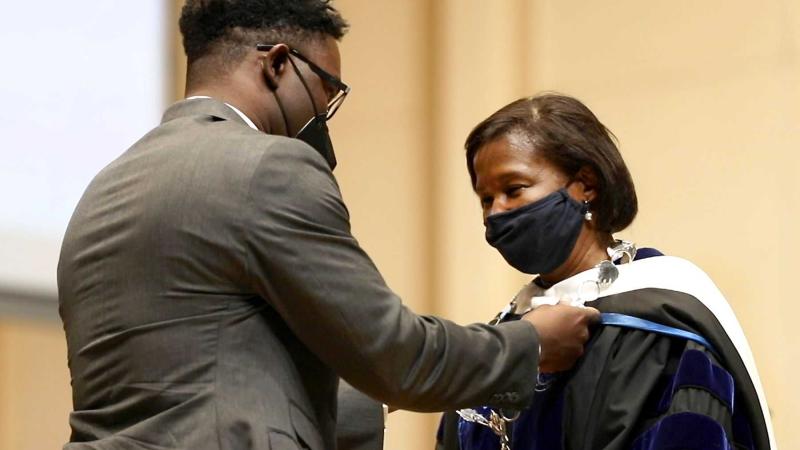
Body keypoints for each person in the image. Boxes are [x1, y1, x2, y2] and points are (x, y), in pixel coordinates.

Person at [57, 2, 600, 450]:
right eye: (327, 89)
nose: (324, 113)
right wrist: (527, 344)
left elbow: (199, 384)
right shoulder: (267, 166)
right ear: (276, 64)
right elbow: (397, 356)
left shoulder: (104, 190)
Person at [435, 94, 776, 450]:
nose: (494, 213)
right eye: (486, 199)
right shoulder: (505, 338)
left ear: (586, 185)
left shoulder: (660, 321)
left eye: (513, 189)